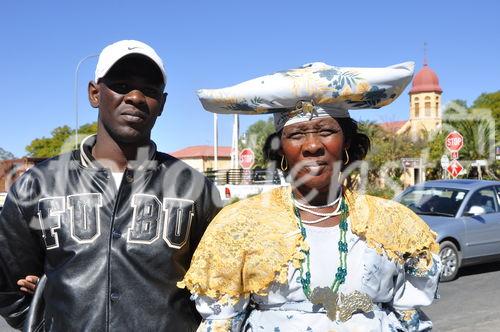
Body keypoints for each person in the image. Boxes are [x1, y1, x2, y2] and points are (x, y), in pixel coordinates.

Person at [179, 61, 441, 331]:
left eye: (327, 131)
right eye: (296, 134)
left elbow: (408, 319)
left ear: (347, 142)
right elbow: (221, 323)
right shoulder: (238, 225)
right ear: (280, 148)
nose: (313, 146)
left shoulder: (394, 223)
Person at [0, 40, 221, 331]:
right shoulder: (38, 185)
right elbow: (9, 290)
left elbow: (217, 288)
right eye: (121, 84)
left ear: (162, 104)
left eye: (150, 90)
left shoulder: (194, 188)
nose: (135, 97)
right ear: (94, 93)